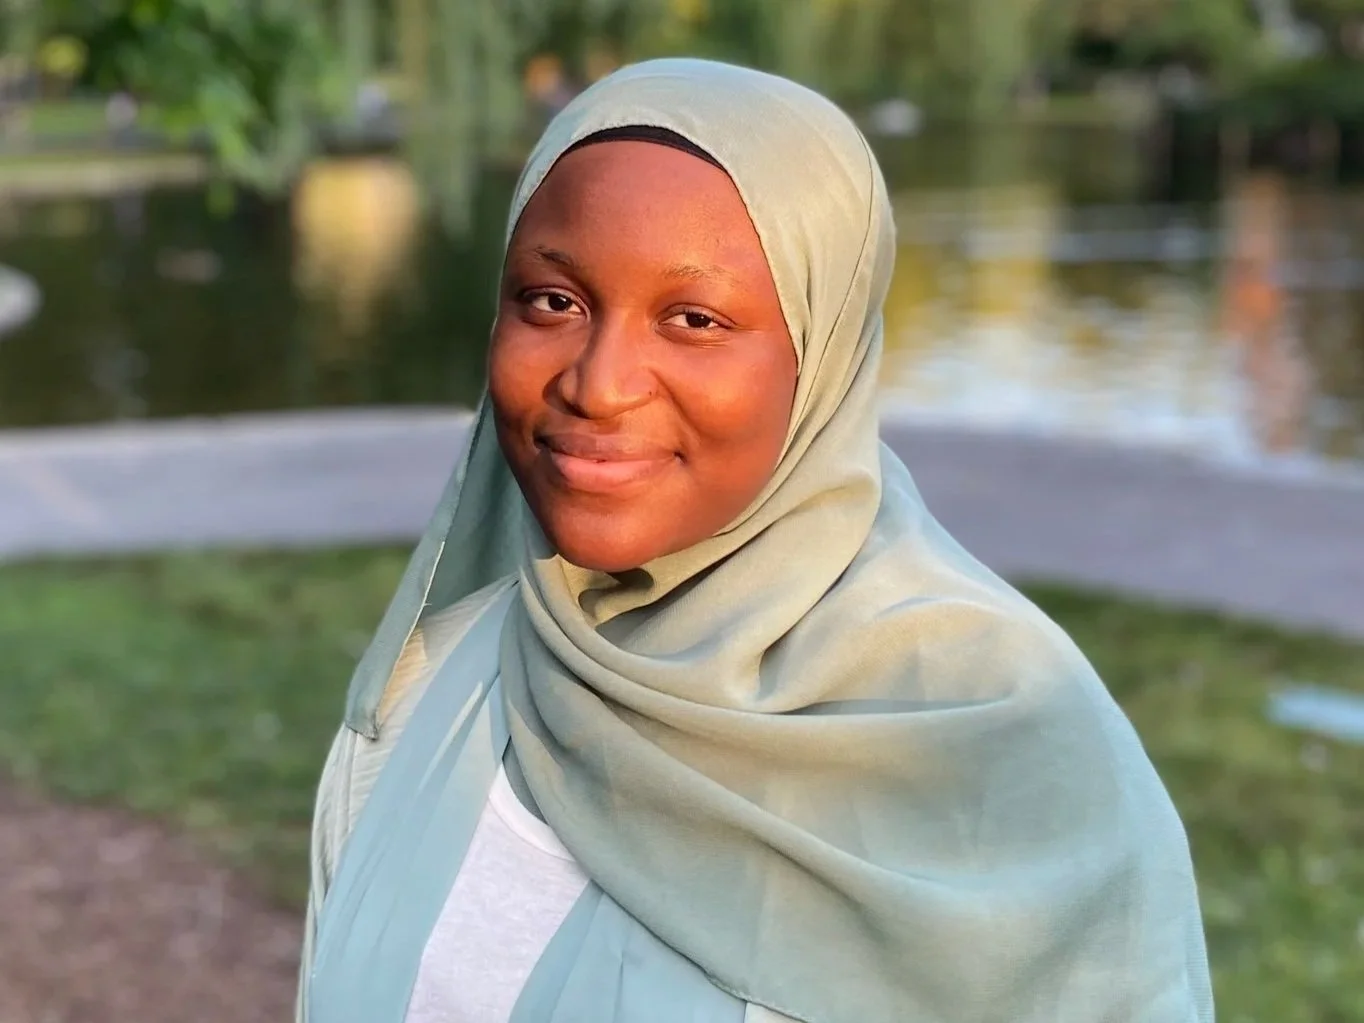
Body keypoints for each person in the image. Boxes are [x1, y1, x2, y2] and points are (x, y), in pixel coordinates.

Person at [297, 58, 1215, 1023]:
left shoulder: (1006, 740)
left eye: (693, 319)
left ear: (821, 351)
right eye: (553, 302)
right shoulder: (442, 686)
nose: (599, 384)